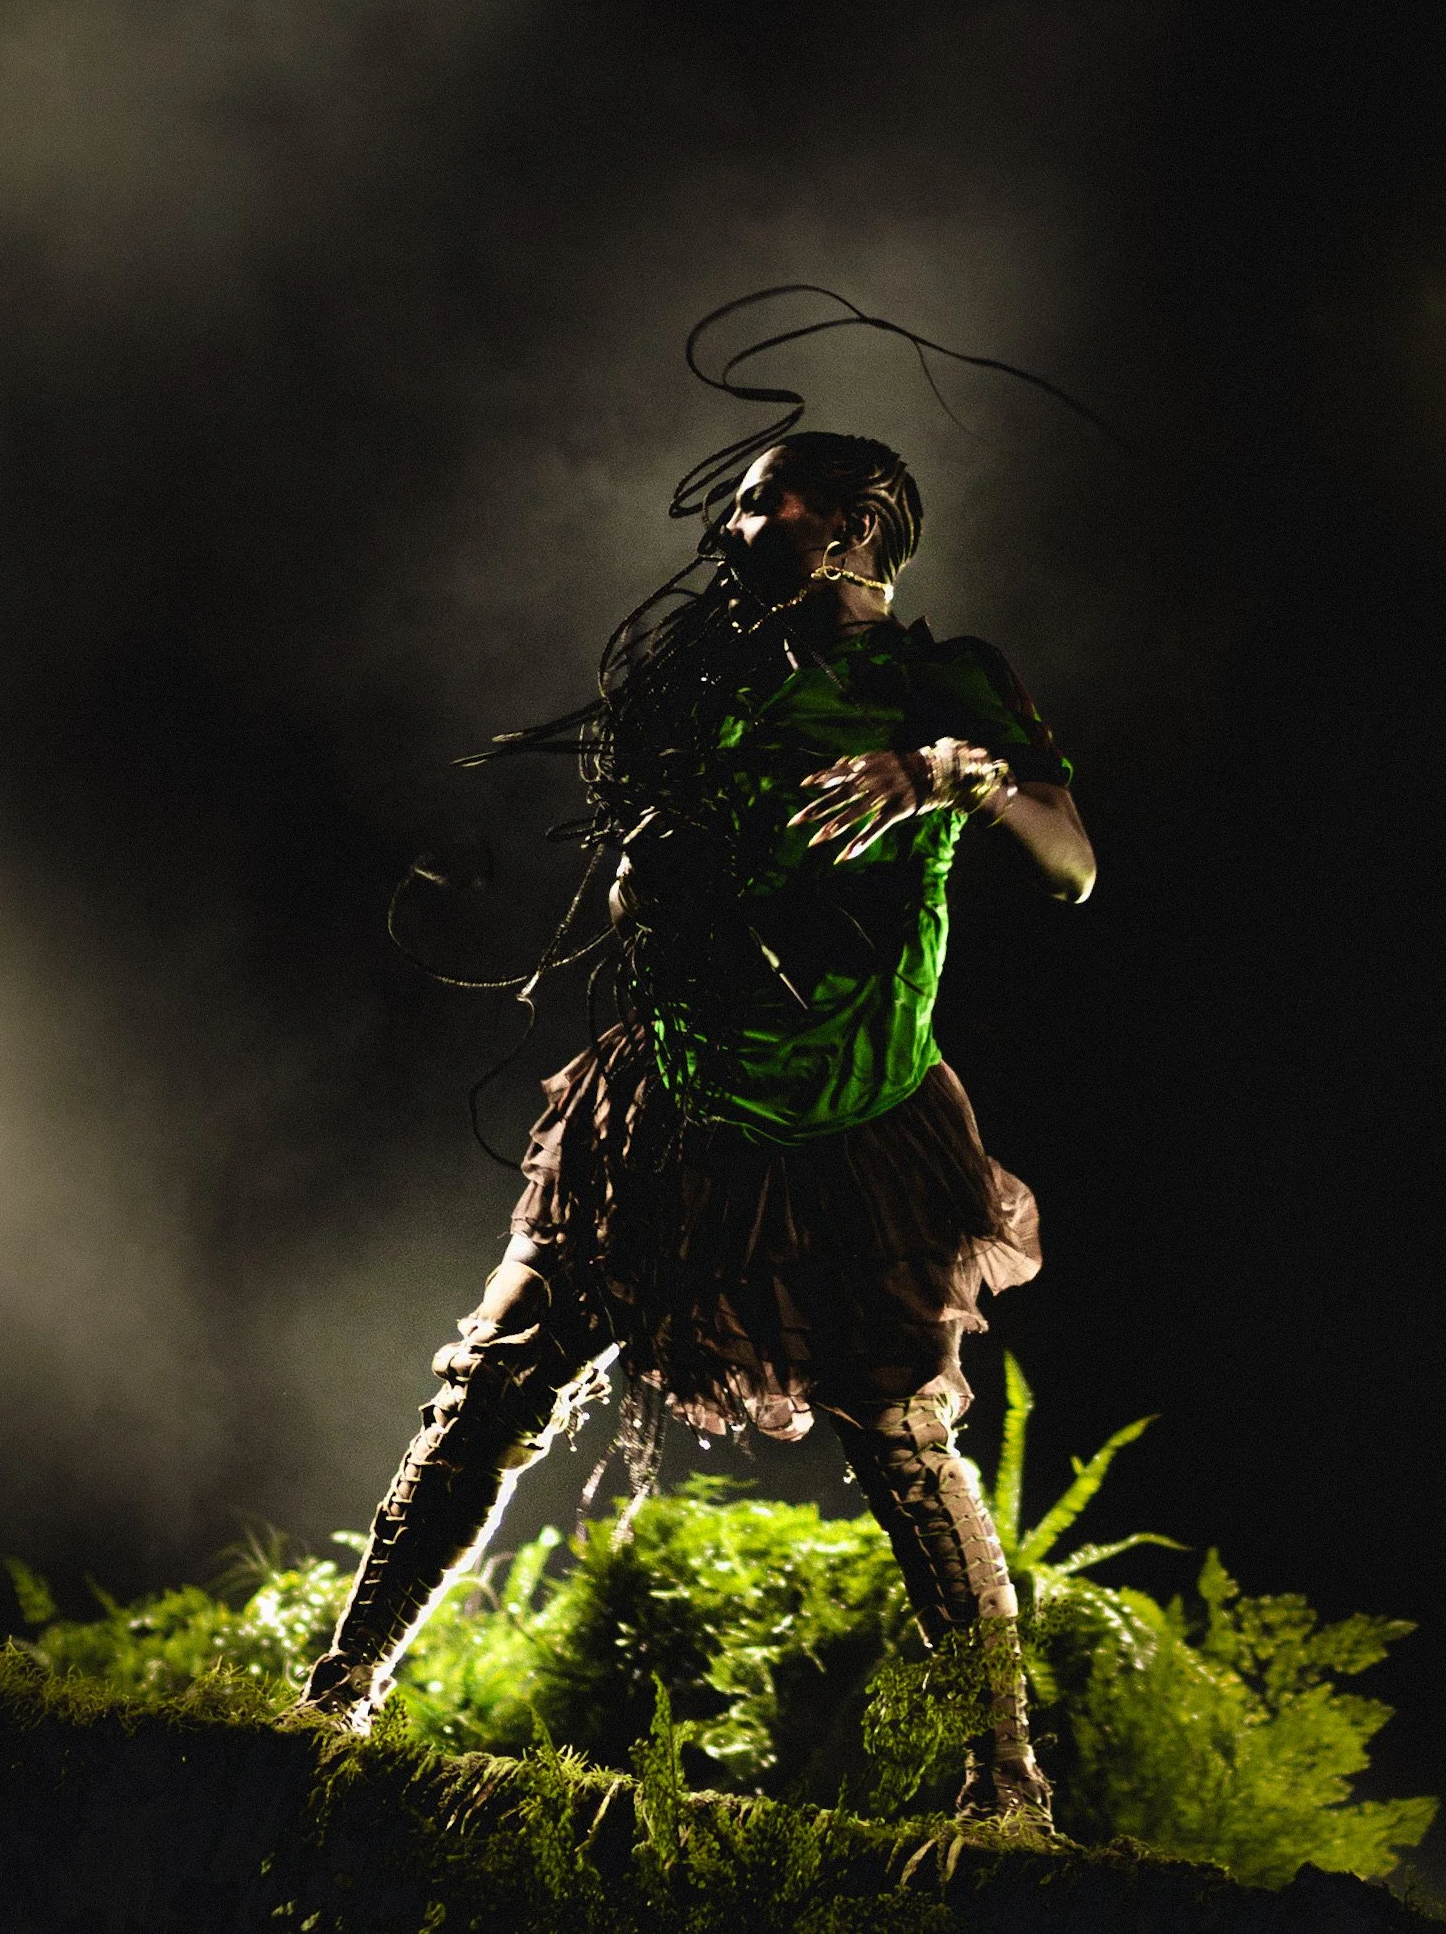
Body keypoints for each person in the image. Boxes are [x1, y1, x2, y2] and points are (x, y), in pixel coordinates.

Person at [301, 431, 1095, 1822]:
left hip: (851, 1129)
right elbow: (653, 874)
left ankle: (1006, 1778)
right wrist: (646, 883)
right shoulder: (712, 685)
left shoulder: (933, 676)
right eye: (729, 504)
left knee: (903, 1441)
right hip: (671, 1109)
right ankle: (333, 1696)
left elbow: (1070, 857)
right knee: (493, 1380)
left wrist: (938, 776)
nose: (730, 527)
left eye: (758, 500)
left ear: (851, 523)